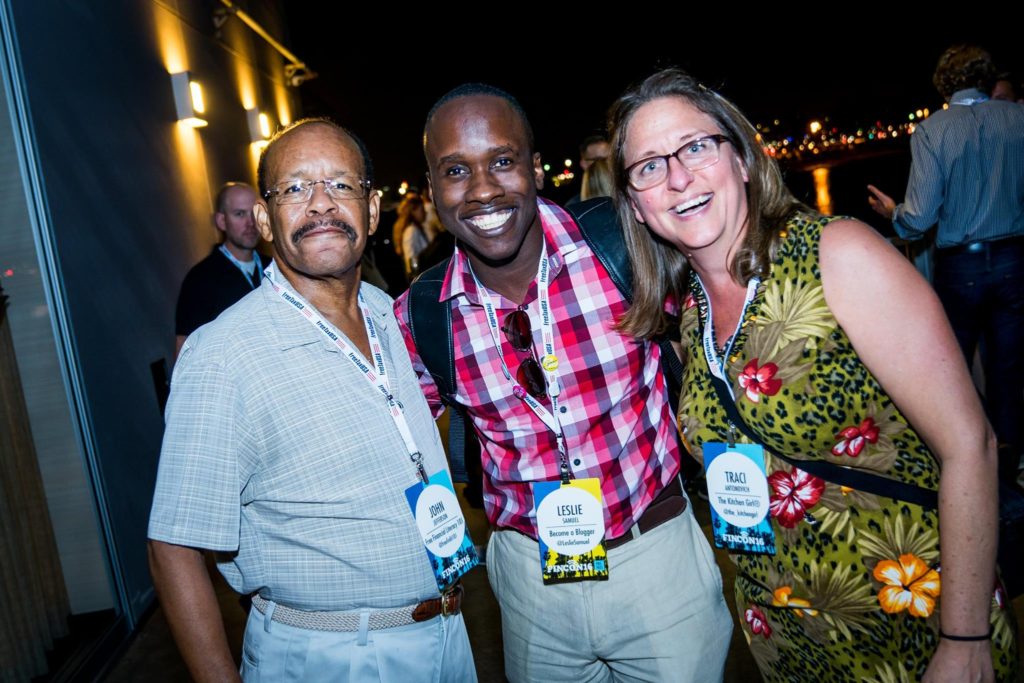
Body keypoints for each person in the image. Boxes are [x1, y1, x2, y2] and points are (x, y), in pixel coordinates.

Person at [610, 67, 1018, 682]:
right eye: (649, 166)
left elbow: (970, 444)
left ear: (741, 159)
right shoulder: (689, 313)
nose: (677, 178)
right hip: (788, 639)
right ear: (637, 207)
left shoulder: (838, 255)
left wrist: (963, 637)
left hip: (908, 618)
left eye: (695, 147)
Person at [395, 84, 732, 682]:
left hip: (656, 562)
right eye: (455, 170)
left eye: (502, 161)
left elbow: (729, 321)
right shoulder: (421, 314)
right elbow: (384, 434)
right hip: (529, 587)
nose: (482, 189)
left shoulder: (625, 246)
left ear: (536, 168)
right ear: (432, 191)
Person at [148, 118, 477, 682]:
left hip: (448, 633)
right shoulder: (223, 353)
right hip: (335, 655)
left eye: (341, 185)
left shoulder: (383, 310)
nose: (321, 204)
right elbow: (173, 551)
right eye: (295, 188)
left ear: (372, 210)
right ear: (264, 220)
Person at [867, 44, 1024, 485]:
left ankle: (972, 458)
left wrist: (891, 212)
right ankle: (1010, 469)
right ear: (987, 77)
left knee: (951, 366)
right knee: (1008, 369)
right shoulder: (1017, 120)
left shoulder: (933, 131)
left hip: (961, 268)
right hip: (1015, 260)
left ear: (944, 84)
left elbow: (917, 222)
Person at [175, 182, 266, 357]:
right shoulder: (200, 280)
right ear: (221, 221)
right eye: (239, 214)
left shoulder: (276, 267)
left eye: (254, 213)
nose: (251, 223)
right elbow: (185, 348)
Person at [392, 193, 432, 279]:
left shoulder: (417, 228)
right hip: (421, 277)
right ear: (413, 211)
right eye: (422, 210)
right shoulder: (411, 231)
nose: (425, 212)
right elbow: (410, 258)